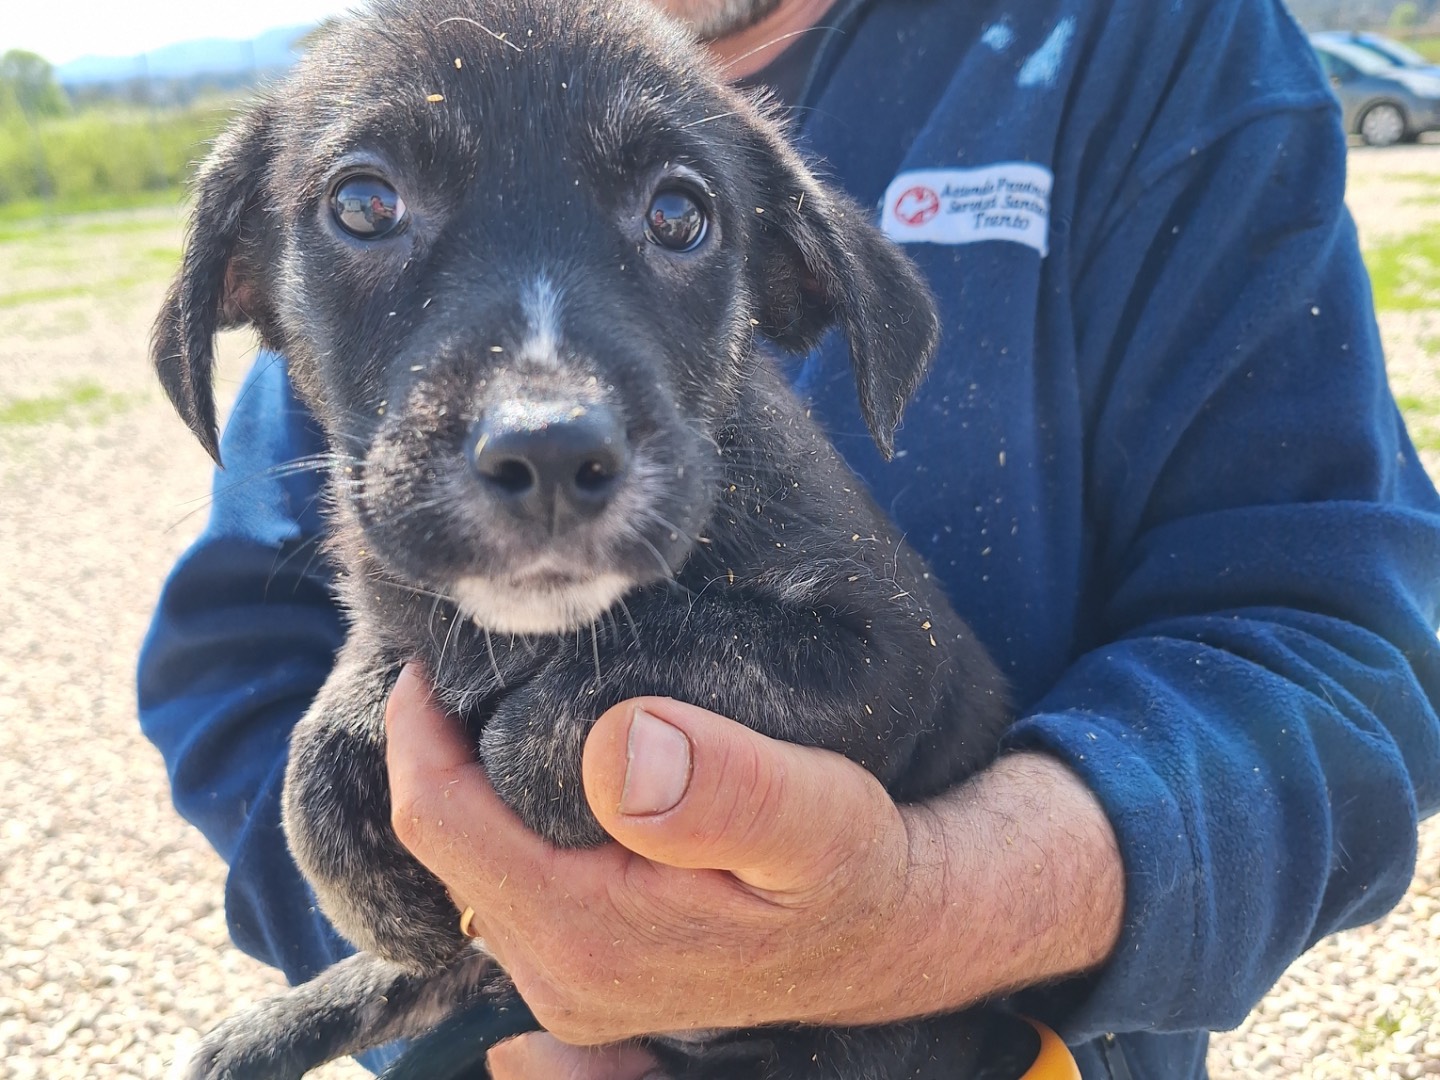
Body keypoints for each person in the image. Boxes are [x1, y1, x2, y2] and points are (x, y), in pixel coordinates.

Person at [137, 0, 1440, 1077]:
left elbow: (1349, 658)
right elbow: (242, 664)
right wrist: (498, 1008)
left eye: (675, 220)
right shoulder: (428, 64)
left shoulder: (1152, 43)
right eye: (366, 209)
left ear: (796, 282)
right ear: (248, 278)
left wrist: (938, 906)